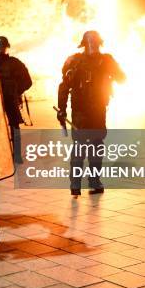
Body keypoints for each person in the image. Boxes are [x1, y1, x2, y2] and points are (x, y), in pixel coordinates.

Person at [57, 30, 125, 196]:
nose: (92, 43)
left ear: (99, 42)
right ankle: (75, 183)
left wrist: (112, 73)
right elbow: (64, 86)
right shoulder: (75, 60)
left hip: (98, 110)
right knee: (80, 145)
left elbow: (122, 78)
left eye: (94, 41)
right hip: (80, 110)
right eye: (89, 41)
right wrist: (62, 109)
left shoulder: (106, 59)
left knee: (96, 144)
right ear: (84, 43)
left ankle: (94, 181)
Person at [0, 36, 32, 162]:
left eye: (3, 44)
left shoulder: (15, 63)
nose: (1, 47)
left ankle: (17, 155)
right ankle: (2, 155)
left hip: (10, 99)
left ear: (6, 46)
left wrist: (16, 92)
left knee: (15, 127)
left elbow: (28, 81)